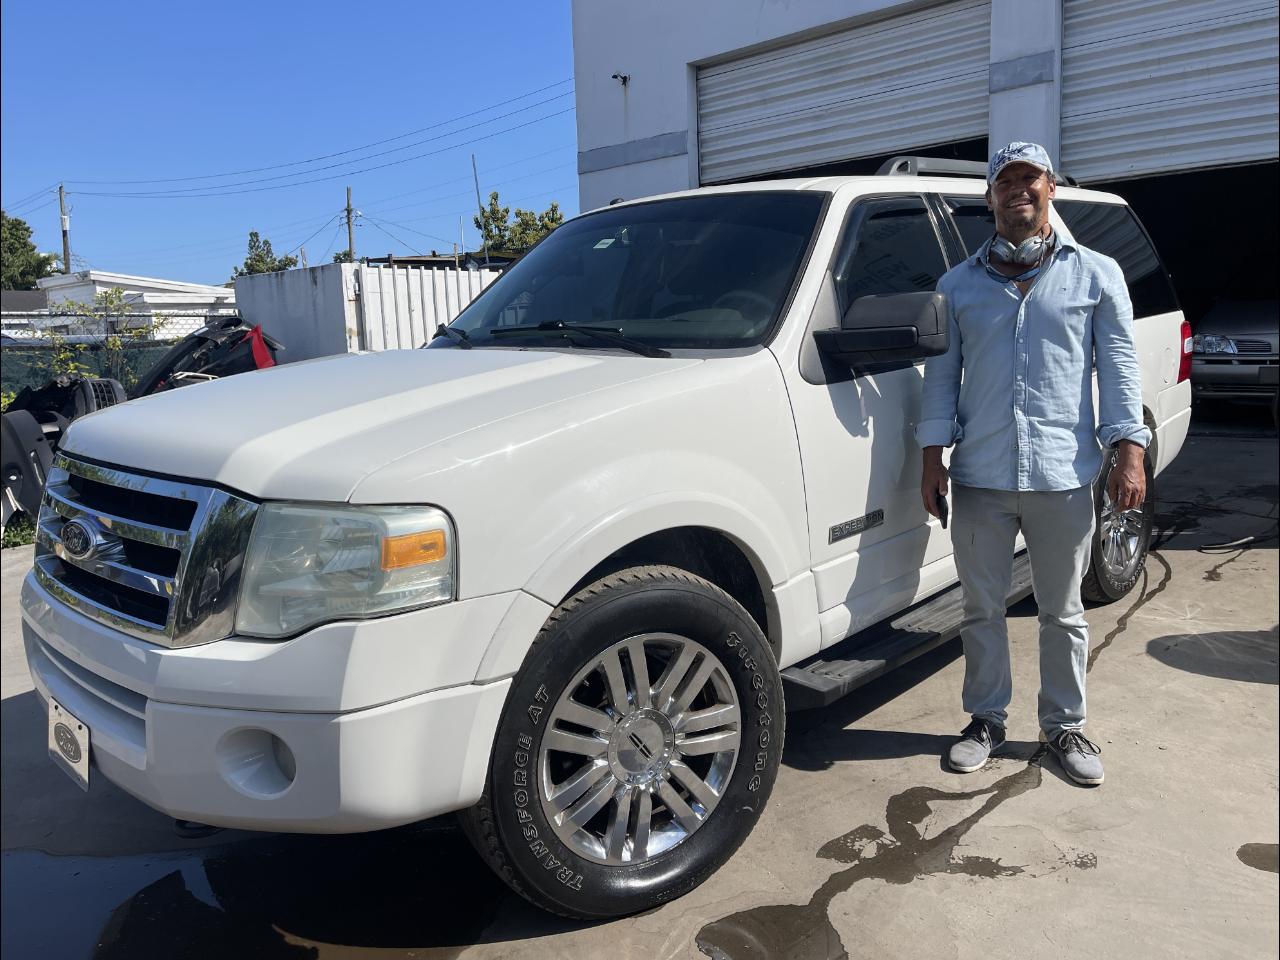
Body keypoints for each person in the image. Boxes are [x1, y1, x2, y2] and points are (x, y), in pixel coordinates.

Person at [916, 141, 1149, 786]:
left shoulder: (1096, 274)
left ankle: (1063, 726)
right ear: (989, 196)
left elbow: (1119, 368)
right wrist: (932, 459)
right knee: (980, 609)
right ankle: (986, 719)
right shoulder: (957, 286)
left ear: (1050, 189)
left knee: (1063, 612)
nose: (1018, 189)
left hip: (1062, 476)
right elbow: (941, 381)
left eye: (1031, 178)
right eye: (1006, 181)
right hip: (981, 476)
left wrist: (1130, 451)